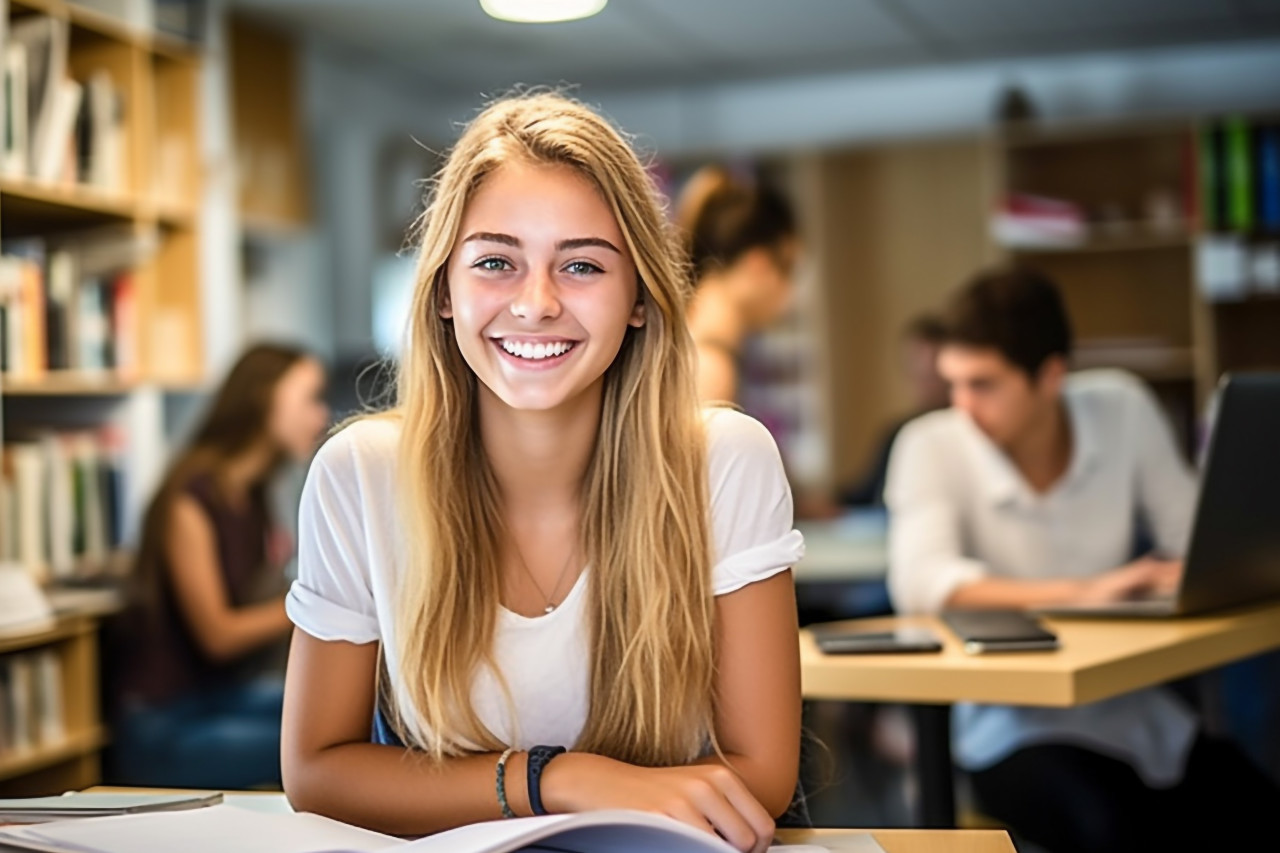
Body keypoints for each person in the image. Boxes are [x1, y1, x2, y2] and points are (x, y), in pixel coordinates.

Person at [280, 93, 804, 853]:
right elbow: (316, 772)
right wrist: (556, 780)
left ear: (637, 299)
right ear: (445, 294)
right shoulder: (358, 474)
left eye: (582, 264)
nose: (536, 303)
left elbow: (760, 777)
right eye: (496, 261)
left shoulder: (726, 459)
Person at [884, 267, 1280, 852]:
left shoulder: (1121, 407)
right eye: (954, 383)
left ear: (1050, 375)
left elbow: (1190, 534)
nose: (962, 405)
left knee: (1255, 810)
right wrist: (1085, 590)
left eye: (983, 384)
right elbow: (922, 582)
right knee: (1113, 827)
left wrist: (1185, 572)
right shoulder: (930, 445)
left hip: (1134, 712)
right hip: (1011, 730)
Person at [108, 343, 330, 788]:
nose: (321, 416)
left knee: (344, 718)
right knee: (320, 749)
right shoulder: (190, 497)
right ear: (265, 398)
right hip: (162, 723)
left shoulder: (251, 496)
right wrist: (319, 605)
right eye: (309, 399)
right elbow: (219, 635)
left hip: (217, 698)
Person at [676, 165, 799, 404]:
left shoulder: (691, 347)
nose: (790, 292)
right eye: (788, 269)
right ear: (758, 263)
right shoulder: (709, 368)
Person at [838, 313, 949, 508]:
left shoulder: (968, 434)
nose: (922, 373)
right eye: (914, 362)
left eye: (931, 365)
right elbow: (865, 493)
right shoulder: (900, 431)